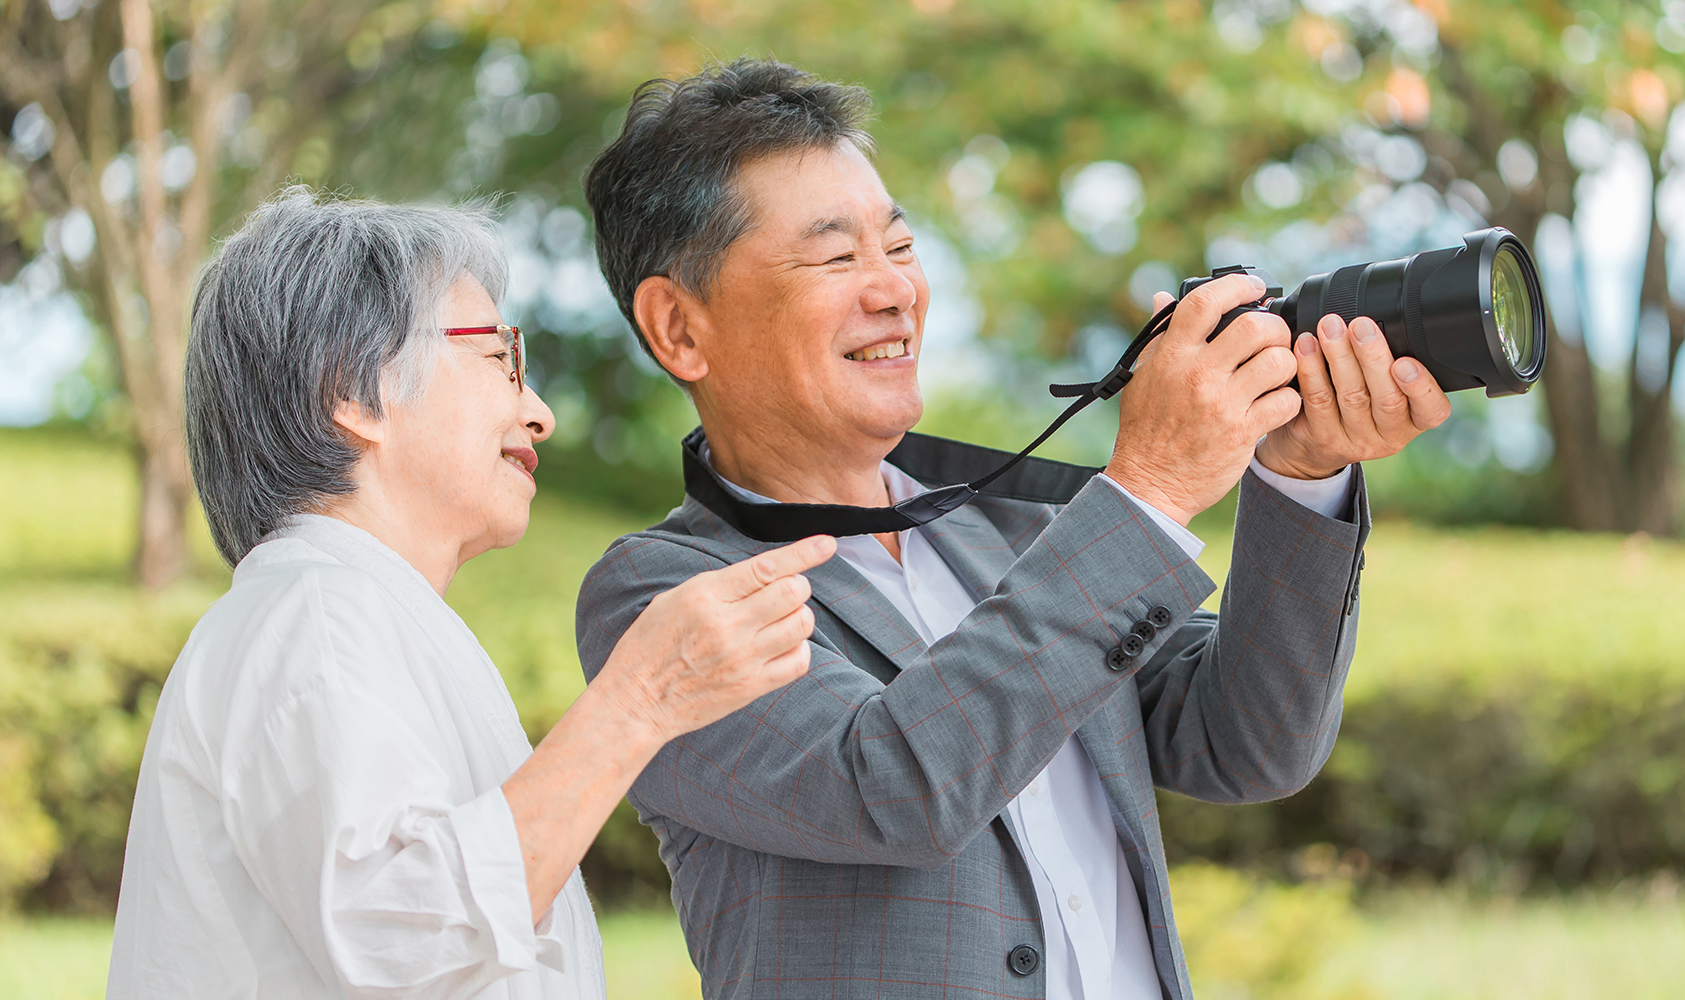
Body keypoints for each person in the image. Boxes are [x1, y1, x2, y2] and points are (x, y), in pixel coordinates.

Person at [575, 59, 1449, 999]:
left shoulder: (1012, 526)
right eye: (836, 257)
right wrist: (1150, 487)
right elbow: (892, 786)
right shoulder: (665, 597)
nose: (894, 291)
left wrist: (1299, 472)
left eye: (901, 247)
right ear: (679, 329)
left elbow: (1249, 744)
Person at [106, 189, 834, 998]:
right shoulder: (318, 616)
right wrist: (642, 698)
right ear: (352, 388)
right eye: (499, 358)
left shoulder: (357, 616)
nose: (541, 412)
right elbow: (405, 940)